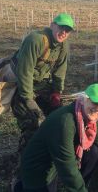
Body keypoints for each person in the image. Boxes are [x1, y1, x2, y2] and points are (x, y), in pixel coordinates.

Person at [19, 83, 98, 192]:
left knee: (93, 151)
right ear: (83, 100)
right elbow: (68, 166)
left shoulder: (91, 120)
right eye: (94, 102)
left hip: (53, 167)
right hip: (36, 170)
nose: (97, 108)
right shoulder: (65, 122)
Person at [11, 13, 74, 155]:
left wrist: (57, 93)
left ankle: (50, 152)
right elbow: (24, 72)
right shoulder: (35, 40)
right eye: (61, 27)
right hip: (22, 86)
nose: (63, 32)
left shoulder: (63, 45)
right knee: (33, 122)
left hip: (42, 85)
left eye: (67, 30)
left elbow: (60, 71)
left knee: (60, 117)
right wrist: (28, 99)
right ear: (52, 25)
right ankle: (26, 157)